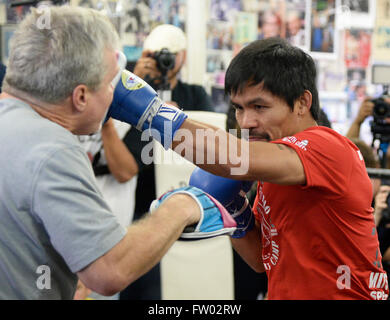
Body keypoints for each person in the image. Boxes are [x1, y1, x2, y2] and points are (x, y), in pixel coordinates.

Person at [112, 37, 389, 299]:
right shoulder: (275, 166)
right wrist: (235, 210)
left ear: (303, 102)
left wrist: (148, 112)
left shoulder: (327, 148)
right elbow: (262, 259)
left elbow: (234, 157)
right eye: (239, 108)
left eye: (259, 106)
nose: (246, 122)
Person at [0, 5, 232, 299]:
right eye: (112, 81)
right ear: (81, 96)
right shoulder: (52, 149)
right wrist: (185, 203)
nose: (117, 92)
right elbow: (110, 271)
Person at [120, 23, 213, 300]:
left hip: (185, 200)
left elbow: (209, 139)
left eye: (169, 55)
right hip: (141, 203)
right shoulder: (133, 95)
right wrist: (134, 84)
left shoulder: (195, 95)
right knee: (140, 285)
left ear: (182, 57)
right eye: (155, 54)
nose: (163, 62)